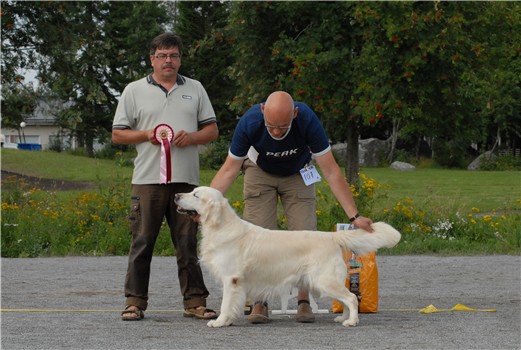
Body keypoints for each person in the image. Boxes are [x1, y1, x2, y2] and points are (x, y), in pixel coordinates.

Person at [209, 91, 374, 324]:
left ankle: (303, 301)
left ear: (294, 114)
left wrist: (354, 215)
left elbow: (330, 170)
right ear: (263, 110)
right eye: (271, 126)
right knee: (256, 240)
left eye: (283, 126)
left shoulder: (307, 120)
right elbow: (229, 170)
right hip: (259, 171)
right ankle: (259, 302)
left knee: (305, 233)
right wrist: (206, 206)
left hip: (298, 172)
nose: (276, 132)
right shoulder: (249, 122)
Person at [112, 33, 219, 321]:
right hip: (147, 179)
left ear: (180, 59)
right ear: (152, 59)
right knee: (142, 241)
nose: (168, 61)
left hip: (186, 182)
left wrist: (193, 137)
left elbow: (212, 131)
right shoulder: (133, 91)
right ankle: (134, 301)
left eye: (173, 55)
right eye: (162, 55)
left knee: (187, 242)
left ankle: (195, 301)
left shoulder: (195, 89)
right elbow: (118, 133)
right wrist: (146, 134)